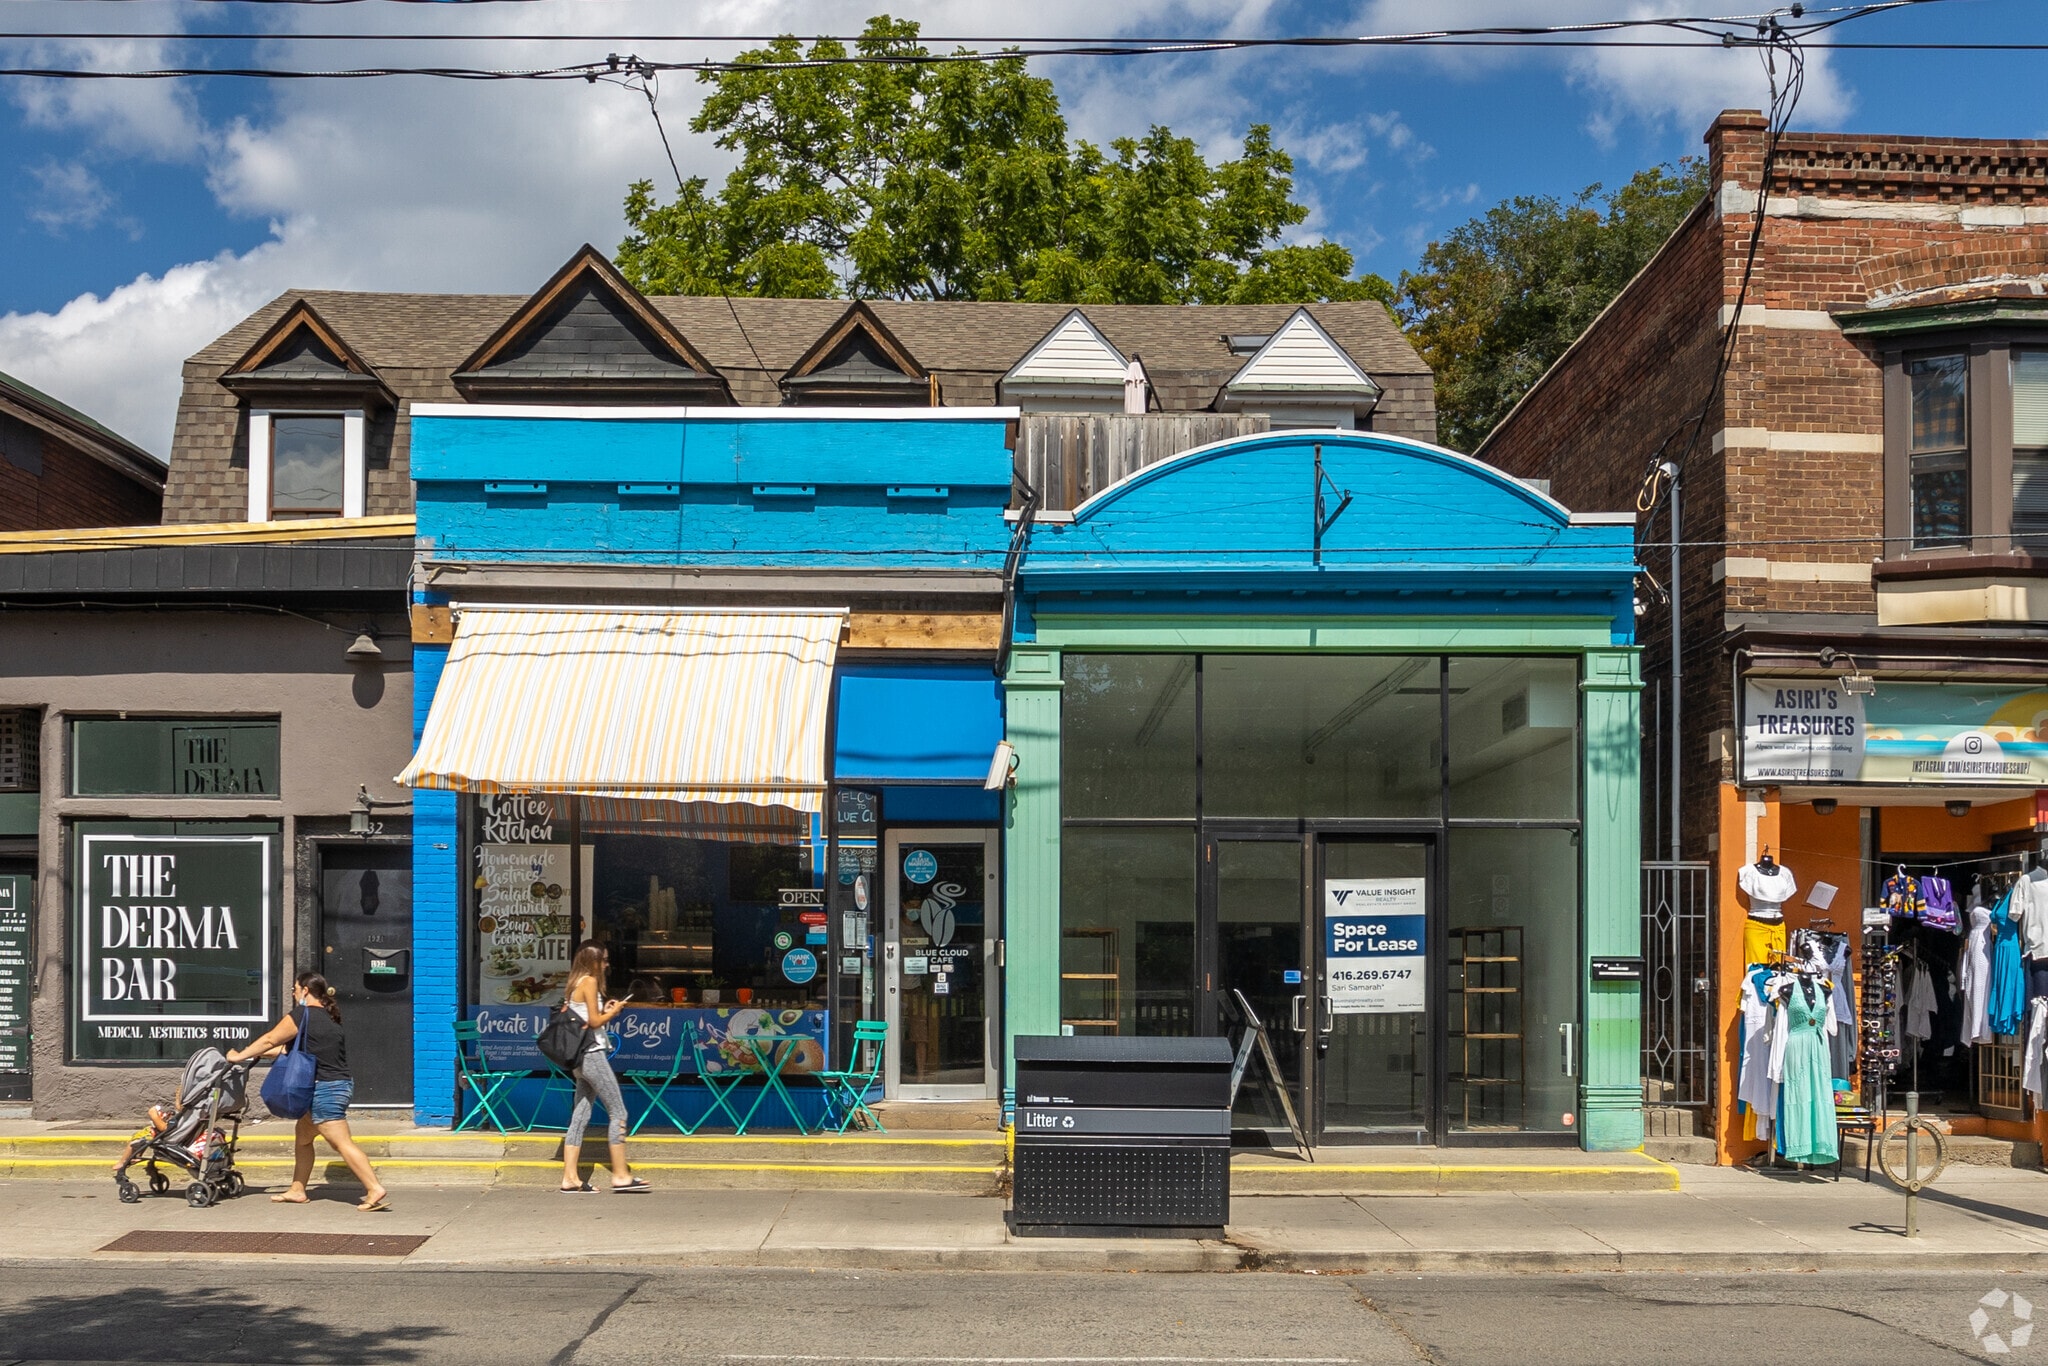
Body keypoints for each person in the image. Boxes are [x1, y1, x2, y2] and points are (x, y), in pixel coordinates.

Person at [229, 971, 389, 1212]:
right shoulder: (329, 1018)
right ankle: (297, 1189)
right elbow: (291, 1051)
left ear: (305, 990)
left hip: (325, 1089)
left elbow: (271, 1039)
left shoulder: (302, 1014)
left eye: (294, 989)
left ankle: (374, 1187)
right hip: (335, 1085)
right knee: (303, 1137)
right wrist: (258, 1052)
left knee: (340, 1142)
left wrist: (240, 1056)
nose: (293, 993)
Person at [560, 942, 649, 1193]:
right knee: (618, 1111)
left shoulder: (574, 983)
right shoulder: (589, 981)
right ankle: (621, 1175)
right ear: (592, 961)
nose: (607, 964)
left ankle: (570, 1178)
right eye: (604, 960)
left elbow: (587, 1018)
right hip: (592, 1055)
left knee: (580, 1115)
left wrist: (604, 1010)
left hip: (579, 1058)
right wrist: (614, 1011)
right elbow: (594, 1021)